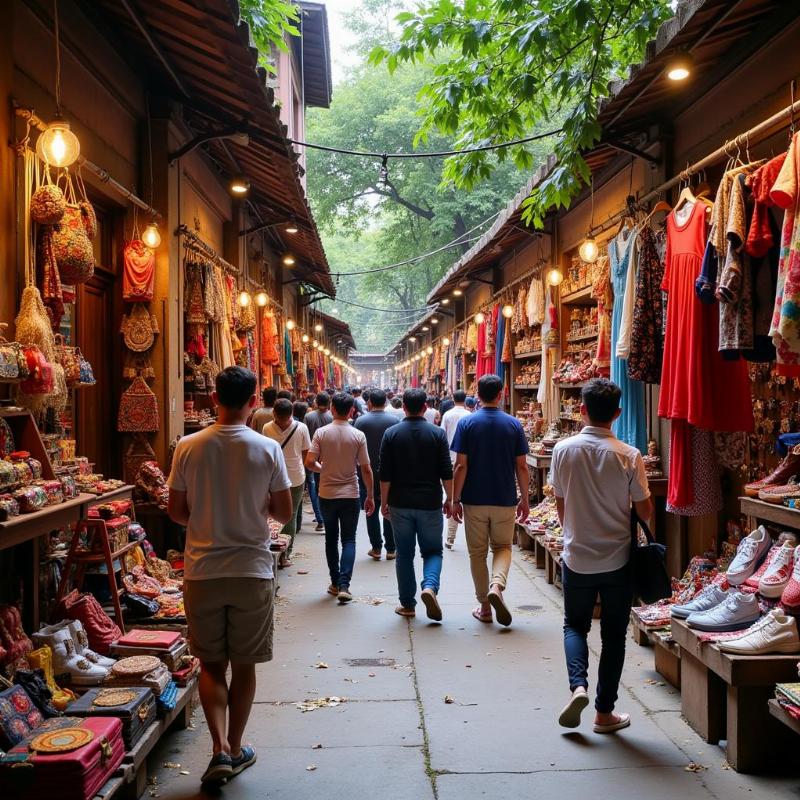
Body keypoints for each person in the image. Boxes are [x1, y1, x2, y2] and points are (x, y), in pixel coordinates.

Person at [167, 366, 293, 785]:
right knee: (245, 664)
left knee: (210, 664)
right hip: (252, 570)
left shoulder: (188, 446)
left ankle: (218, 747)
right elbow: (284, 512)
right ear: (254, 399)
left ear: (214, 397)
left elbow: (176, 511)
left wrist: (205, 521)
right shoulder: (267, 448)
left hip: (202, 571)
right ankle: (235, 748)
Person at [551, 378, 652, 734]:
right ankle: (604, 712)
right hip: (618, 559)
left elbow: (561, 504)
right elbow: (646, 511)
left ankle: (577, 685)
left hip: (577, 555)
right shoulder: (629, 455)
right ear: (618, 414)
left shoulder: (562, 450)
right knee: (613, 635)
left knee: (574, 625)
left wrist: (574, 532)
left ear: (581, 410)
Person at [452, 374, 529, 627]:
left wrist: (455, 499)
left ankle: (484, 606)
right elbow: (522, 467)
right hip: (505, 497)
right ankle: (497, 585)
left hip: (474, 498)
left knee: (477, 553)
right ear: (501, 394)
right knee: (503, 548)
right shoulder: (514, 424)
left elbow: (460, 466)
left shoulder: (467, 424)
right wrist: (525, 499)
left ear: (478, 393)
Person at [380, 389, 453, 620]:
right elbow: (446, 471)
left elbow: (385, 473)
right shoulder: (437, 434)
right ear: (425, 408)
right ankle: (430, 586)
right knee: (432, 550)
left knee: (404, 554)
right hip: (430, 502)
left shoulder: (391, 434)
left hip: (400, 503)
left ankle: (408, 605)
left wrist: (384, 502)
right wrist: (450, 499)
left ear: (404, 407)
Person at [305, 392, 374, 603]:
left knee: (331, 539)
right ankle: (345, 585)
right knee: (349, 539)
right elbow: (366, 469)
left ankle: (334, 583)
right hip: (351, 493)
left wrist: (321, 468)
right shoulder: (358, 435)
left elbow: (309, 462)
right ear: (352, 410)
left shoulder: (321, 433)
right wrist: (370, 495)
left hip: (326, 494)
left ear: (332, 409)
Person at [262, 399, 311, 567]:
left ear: (274, 413)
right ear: (291, 413)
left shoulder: (267, 428)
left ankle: (274, 549)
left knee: (272, 517)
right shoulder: (302, 428)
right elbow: (306, 455)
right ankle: (286, 555)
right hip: (296, 477)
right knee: (291, 515)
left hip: (273, 478)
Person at [355, 389, 399, 560]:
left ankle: (376, 547)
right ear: (386, 402)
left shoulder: (361, 421)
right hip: (390, 472)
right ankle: (391, 548)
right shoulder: (395, 420)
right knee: (388, 507)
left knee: (370, 509)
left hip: (367, 472)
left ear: (370, 403)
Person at [440, 390, 470, 549]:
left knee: (453, 496)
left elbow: (442, 437)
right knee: (468, 496)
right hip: (467, 460)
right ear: (465, 399)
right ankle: (477, 536)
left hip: (452, 459)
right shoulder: (469, 416)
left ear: (452, 399)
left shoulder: (447, 415)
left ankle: (450, 538)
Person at [304, 393, 333, 531]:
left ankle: (320, 518)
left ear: (316, 401)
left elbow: (305, 437)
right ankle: (327, 516)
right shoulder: (332, 417)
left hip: (313, 456)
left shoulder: (309, 417)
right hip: (329, 456)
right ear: (329, 403)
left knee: (316, 488)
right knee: (327, 486)